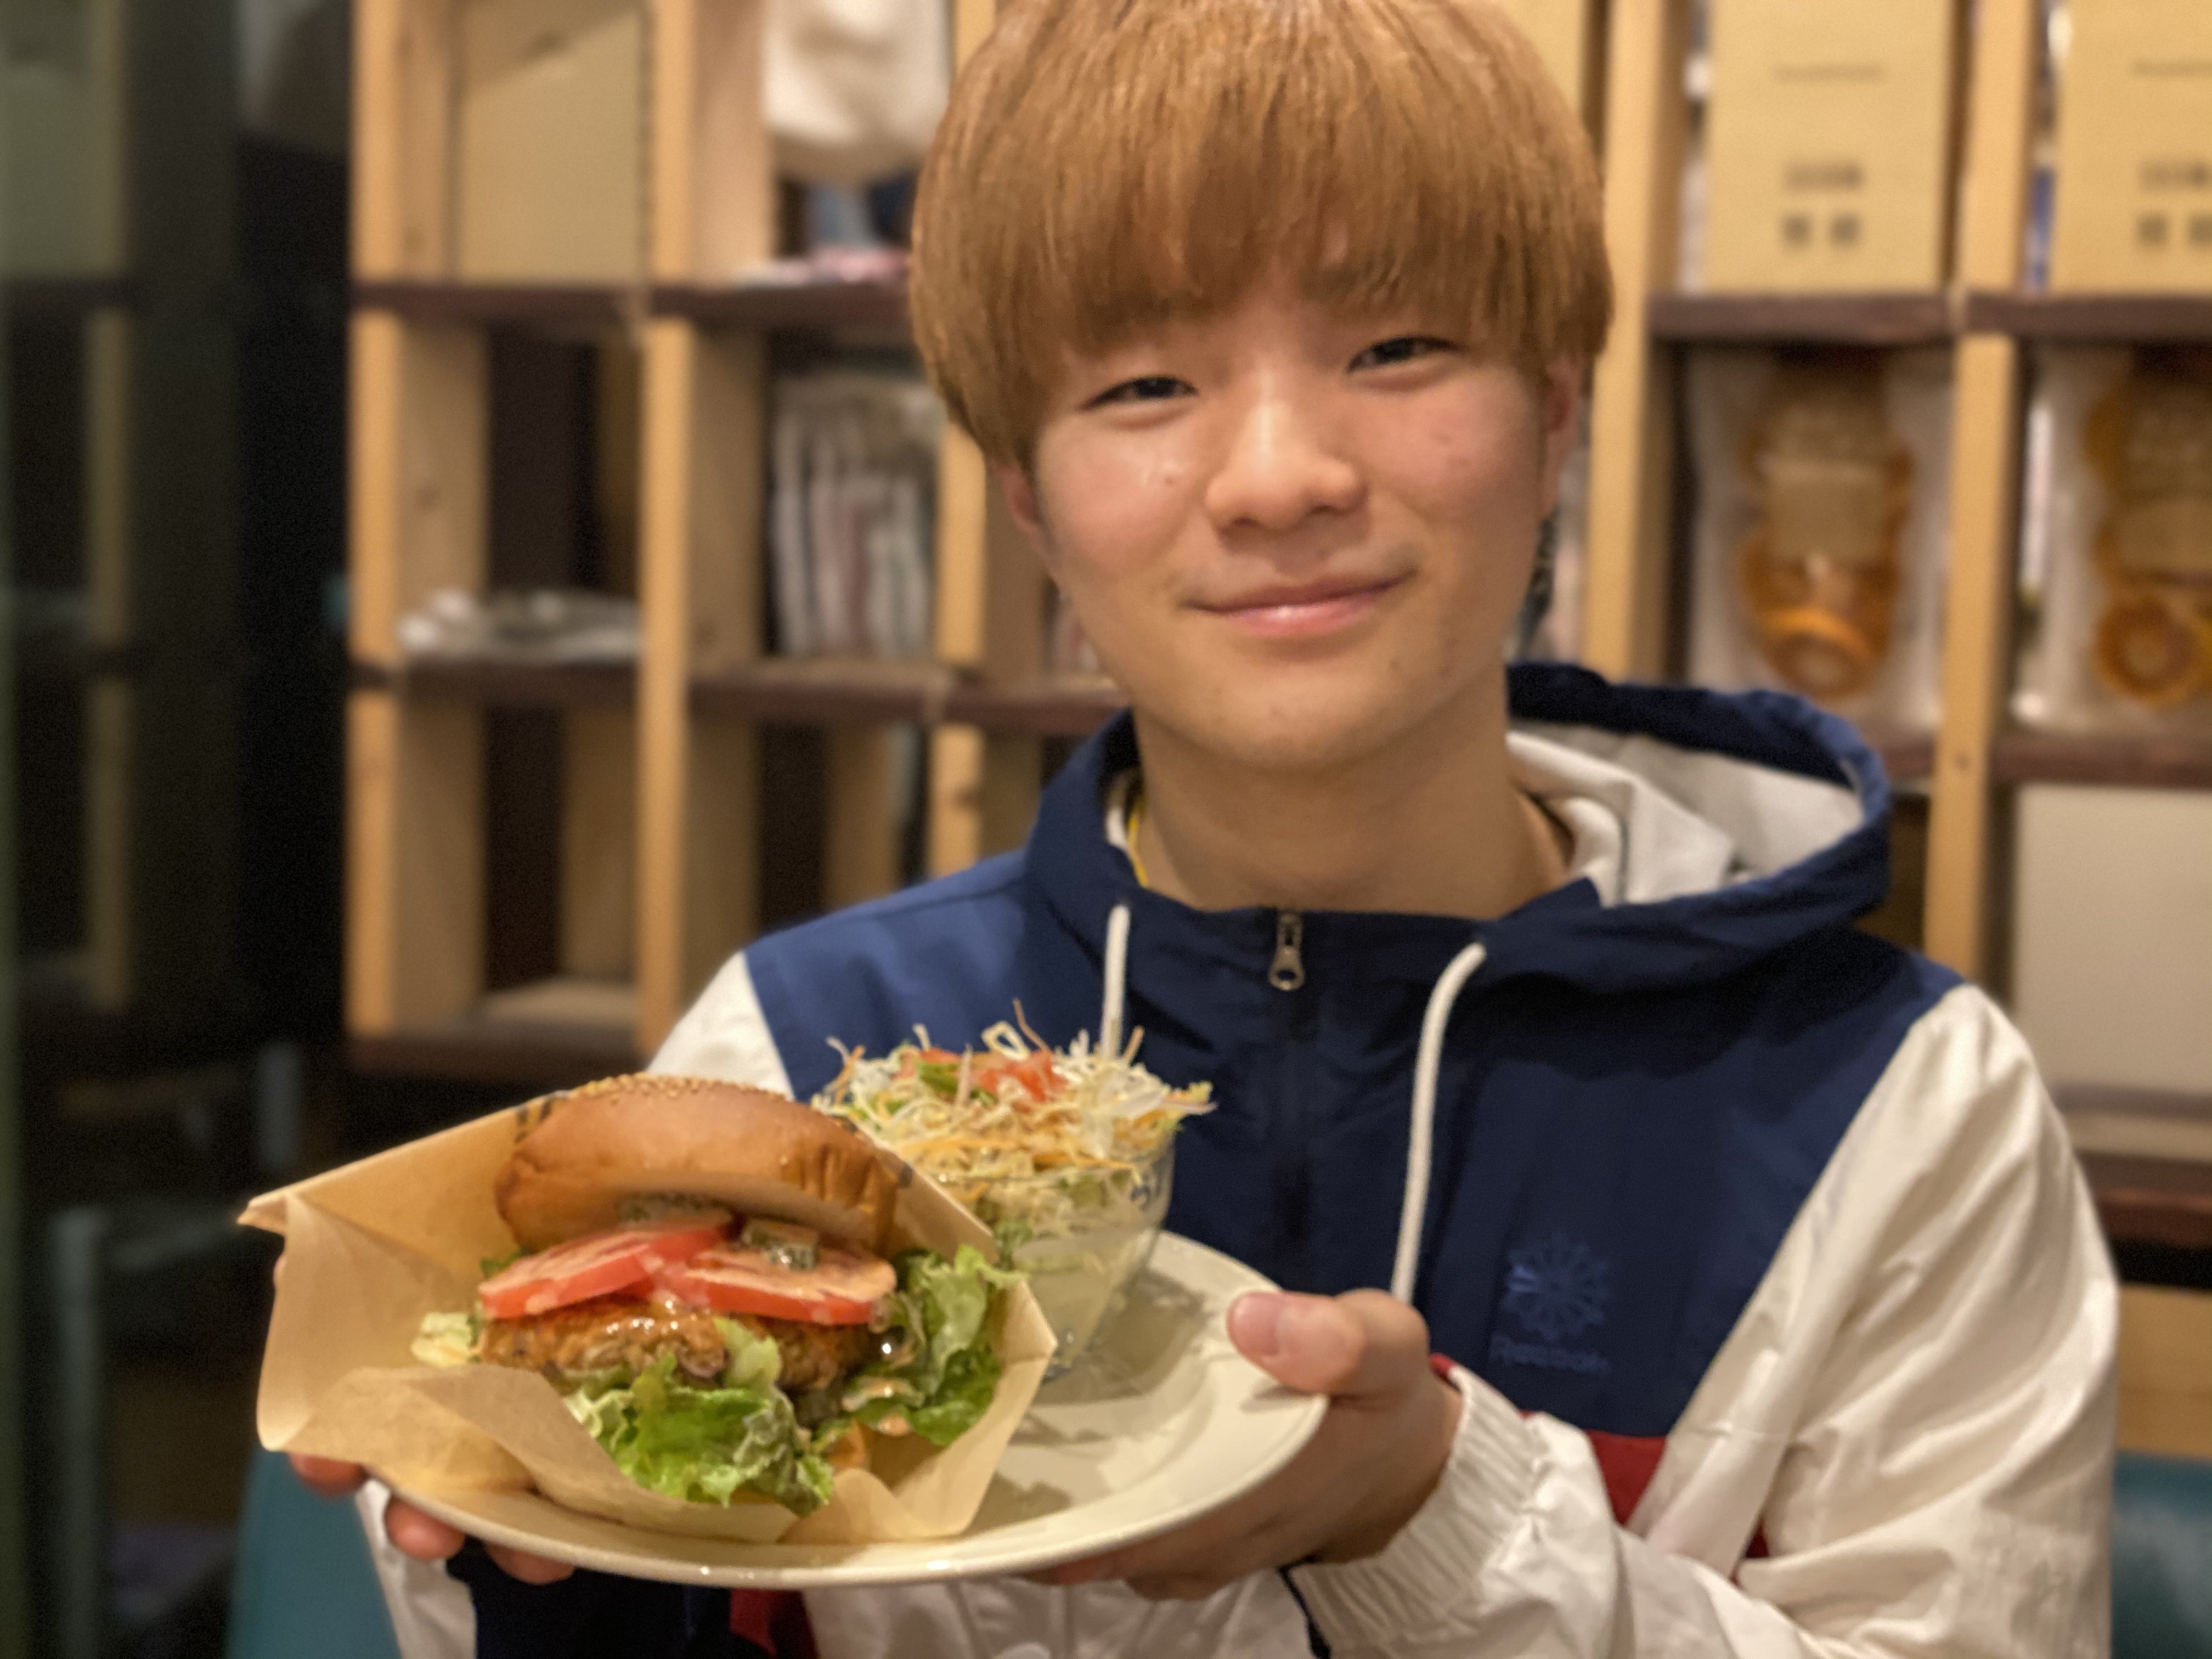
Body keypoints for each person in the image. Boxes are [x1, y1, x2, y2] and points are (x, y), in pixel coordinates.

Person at [293, 1, 2117, 1654]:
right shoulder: (794, 1061)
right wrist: (543, 1571)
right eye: (1145, 387)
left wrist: (1434, 1516)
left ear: (1556, 417)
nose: (1277, 479)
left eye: (1396, 346)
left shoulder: (1894, 1109)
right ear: (1028, 498)